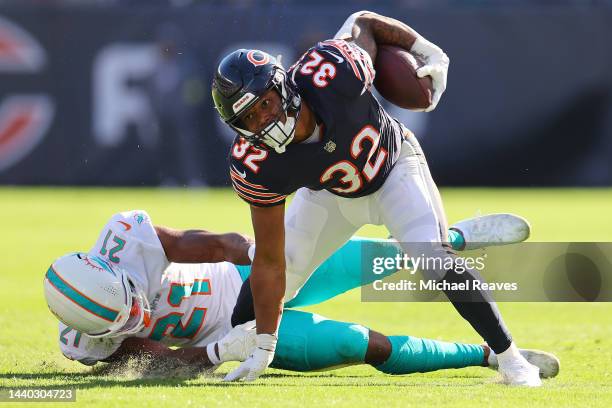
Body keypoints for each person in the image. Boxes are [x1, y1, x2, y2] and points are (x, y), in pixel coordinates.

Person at [211, 11, 543, 385]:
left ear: (282, 86)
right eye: (248, 119)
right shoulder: (254, 163)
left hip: (394, 168)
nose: (262, 122)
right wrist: (265, 344)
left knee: (433, 260)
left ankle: (512, 359)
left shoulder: (333, 73)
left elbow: (363, 21)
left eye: (265, 105)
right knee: (250, 316)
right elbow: (270, 262)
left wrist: (427, 50)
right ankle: (452, 236)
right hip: (330, 194)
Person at [43, 210, 559, 381]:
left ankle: (451, 239)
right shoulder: (88, 344)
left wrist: (273, 261)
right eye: (125, 322)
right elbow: (168, 363)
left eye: (136, 302)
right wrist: (222, 351)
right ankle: (486, 356)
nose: (140, 316)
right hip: (236, 332)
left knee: (374, 258)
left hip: (245, 281)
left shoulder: (132, 237)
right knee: (362, 344)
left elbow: (223, 246)